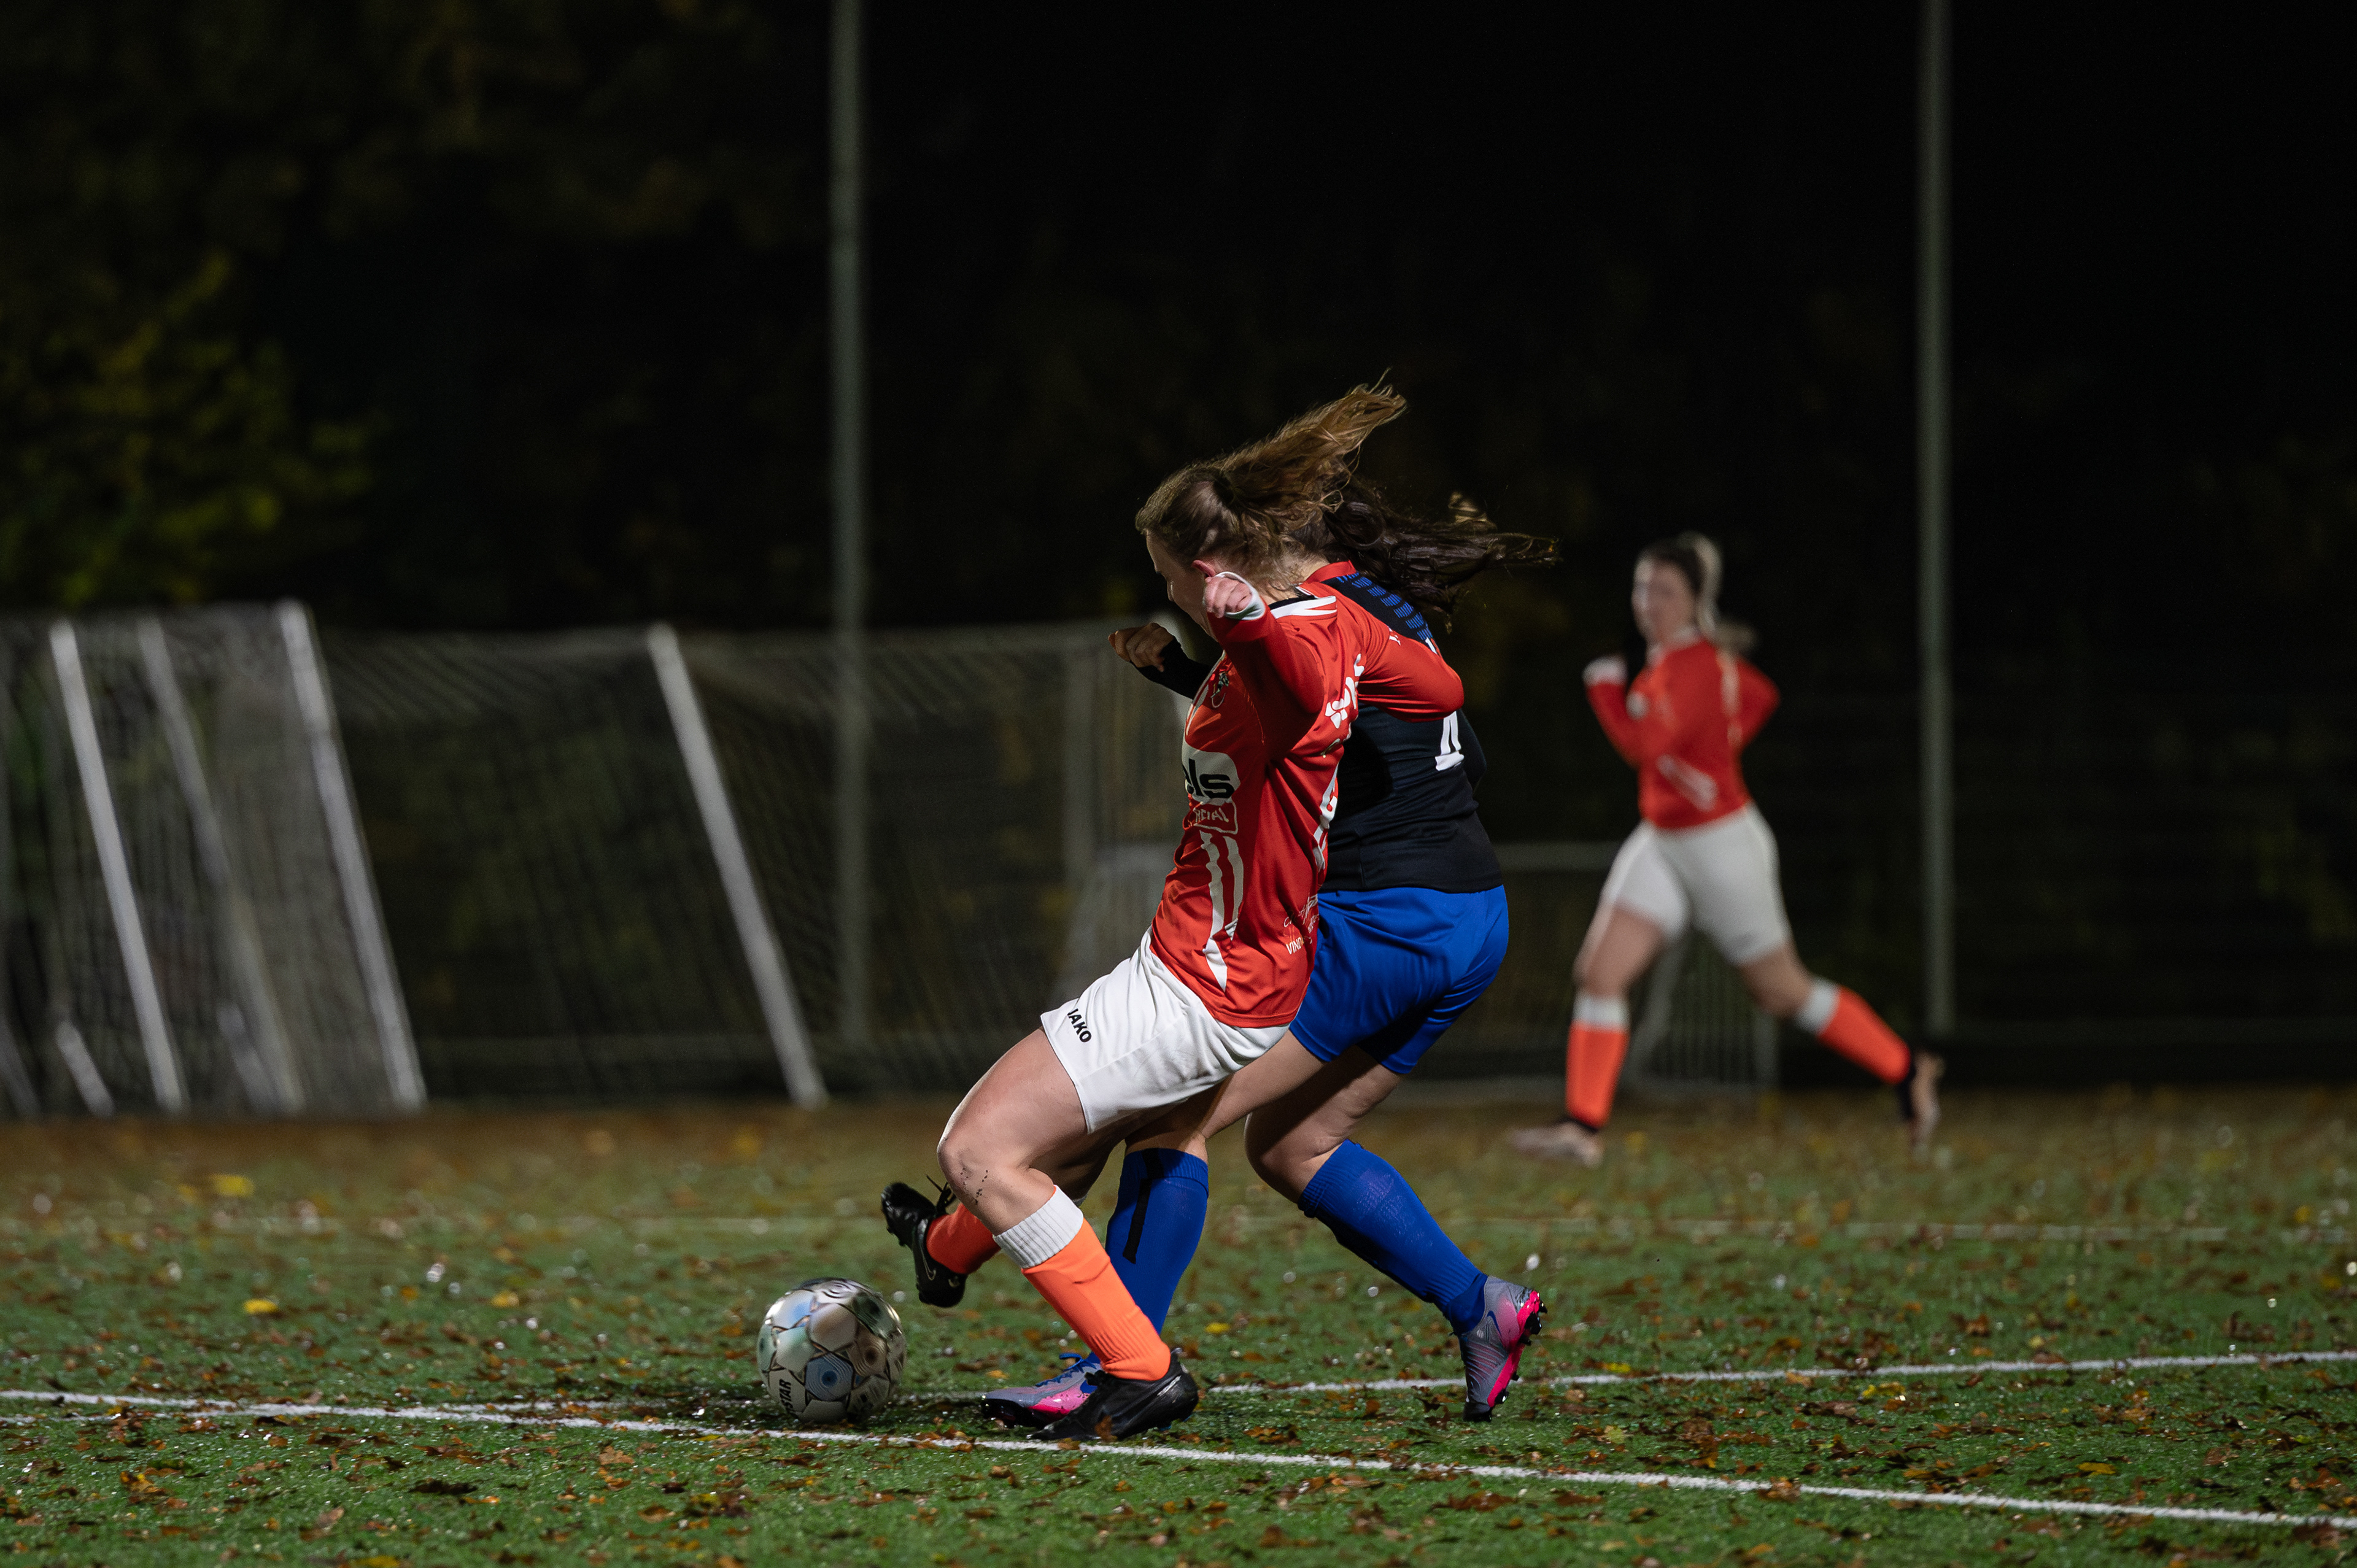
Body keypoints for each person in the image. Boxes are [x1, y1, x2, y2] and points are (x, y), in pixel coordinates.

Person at [883, 388, 1467, 1442]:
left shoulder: (1282, 645)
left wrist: (1244, 619)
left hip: (1205, 982)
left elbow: (1293, 686)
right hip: (1229, 966)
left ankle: (1139, 1370)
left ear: (1207, 570)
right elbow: (1439, 689)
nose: (1163, 591)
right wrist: (1235, 645)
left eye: (1168, 575)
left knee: (979, 1150)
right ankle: (947, 1252)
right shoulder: (1339, 625)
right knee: (1074, 1140)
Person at [1511, 533, 1941, 1167]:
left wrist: (1604, 691)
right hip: (1662, 840)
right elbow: (1758, 696)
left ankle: (1907, 1069)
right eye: (1642, 587)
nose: (1648, 601)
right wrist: (1719, 741)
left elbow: (1643, 748)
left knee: (1782, 992)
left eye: (1665, 591)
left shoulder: (1694, 666)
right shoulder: (1680, 661)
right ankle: (1583, 1127)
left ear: (1695, 600)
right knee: (1600, 973)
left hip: (1721, 846)